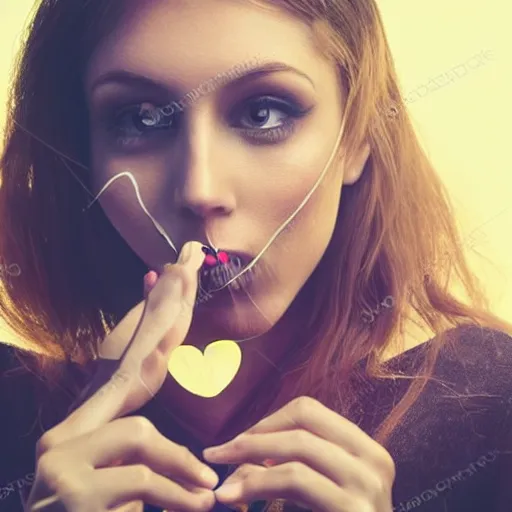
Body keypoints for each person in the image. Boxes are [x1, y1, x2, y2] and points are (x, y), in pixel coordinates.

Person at [0, 0, 510, 511]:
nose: (201, 190)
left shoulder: (491, 411)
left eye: (262, 113)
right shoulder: (11, 414)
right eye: (142, 118)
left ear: (358, 137)